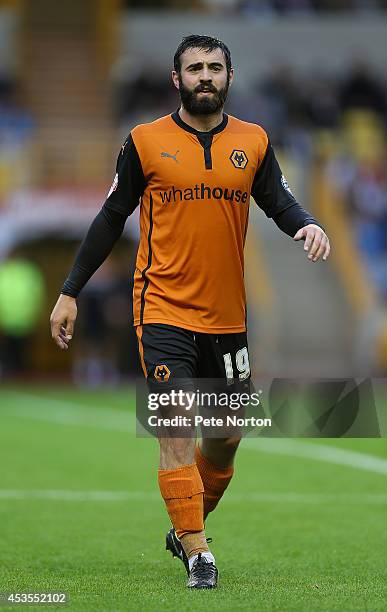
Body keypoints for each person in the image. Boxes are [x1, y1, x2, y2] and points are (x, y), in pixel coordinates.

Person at [50, 34, 330, 589]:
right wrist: (70, 290)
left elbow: (277, 198)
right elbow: (110, 218)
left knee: (225, 435)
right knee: (175, 425)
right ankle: (200, 555)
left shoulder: (254, 141)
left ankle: (184, 525)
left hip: (227, 317)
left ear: (230, 76)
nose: (206, 76)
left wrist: (307, 224)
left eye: (215, 68)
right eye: (195, 68)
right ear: (176, 79)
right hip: (162, 308)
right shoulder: (144, 141)